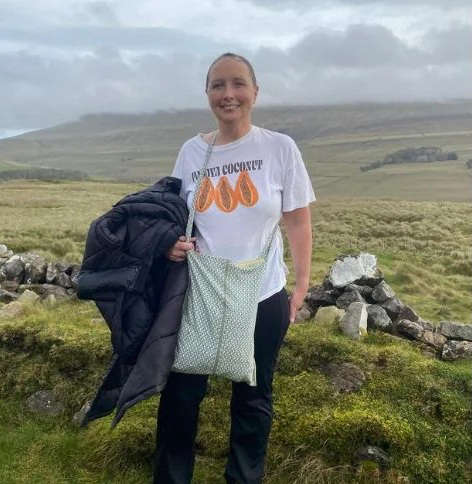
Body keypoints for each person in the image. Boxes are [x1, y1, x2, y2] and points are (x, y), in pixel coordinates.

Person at [154, 52, 315, 484]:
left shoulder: (280, 148)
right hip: (199, 294)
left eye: (238, 84)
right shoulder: (192, 152)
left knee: (253, 398)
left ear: (255, 92)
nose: (228, 94)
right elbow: (175, 218)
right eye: (218, 85)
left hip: (262, 293)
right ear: (207, 93)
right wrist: (172, 245)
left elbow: (298, 221)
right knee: (181, 396)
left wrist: (301, 284)